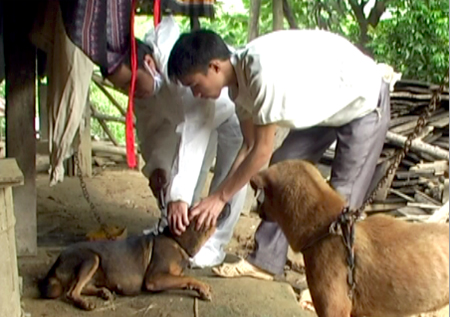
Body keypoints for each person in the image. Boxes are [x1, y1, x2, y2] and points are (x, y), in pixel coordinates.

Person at [167, 29, 400, 279]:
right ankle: (266, 261)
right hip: (328, 106)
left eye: (194, 85)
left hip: (363, 99)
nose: (195, 94)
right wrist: (216, 197)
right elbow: (248, 146)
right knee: (283, 166)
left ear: (214, 67)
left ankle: (334, 280)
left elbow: (261, 152)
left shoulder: (261, 74)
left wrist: (221, 198)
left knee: (342, 195)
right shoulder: (238, 90)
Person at [122, 17, 247, 268]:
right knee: (187, 181)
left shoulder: (178, 72)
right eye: (124, 87)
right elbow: (153, 127)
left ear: (148, 64)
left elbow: (195, 131)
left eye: (132, 83)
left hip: (231, 109)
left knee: (229, 175)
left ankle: (214, 245)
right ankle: (180, 236)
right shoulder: (145, 88)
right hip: (200, 121)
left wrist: (178, 195)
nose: (131, 90)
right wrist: (158, 166)